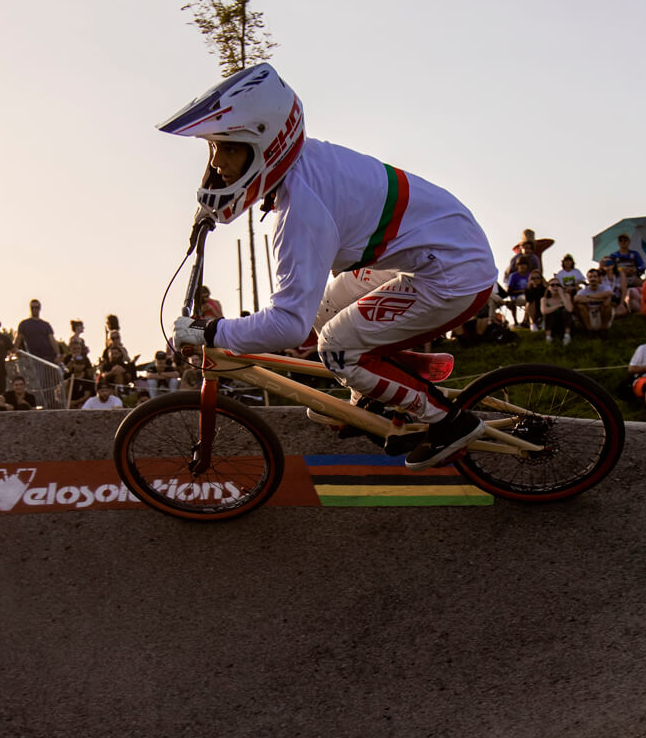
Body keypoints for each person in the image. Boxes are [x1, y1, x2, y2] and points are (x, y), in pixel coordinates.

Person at [164, 63, 499, 470]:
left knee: (336, 349)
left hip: (453, 274)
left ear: (265, 146)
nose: (217, 163)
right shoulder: (301, 159)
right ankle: (374, 390)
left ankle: (447, 423)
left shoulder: (302, 213)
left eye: (229, 148)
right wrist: (206, 213)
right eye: (213, 148)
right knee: (324, 311)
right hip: (436, 250)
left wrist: (211, 331)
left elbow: (287, 324)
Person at [572, 267, 618, 332]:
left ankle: (603, 330)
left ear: (598, 278)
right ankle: (589, 330)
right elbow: (576, 298)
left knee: (607, 302)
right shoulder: (584, 290)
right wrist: (597, 299)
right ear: (587, 279)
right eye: (590, 277)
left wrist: (588, 296)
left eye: (595, 276)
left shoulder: (604, 287)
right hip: (589, 313)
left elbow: (609, 293)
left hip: (601, 311)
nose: (592, 279)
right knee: (579, 306)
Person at [599, 233, 646, 298]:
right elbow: (609, 267)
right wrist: (621, 270)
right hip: (618, 278)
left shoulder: (635, 254)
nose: (623, 242)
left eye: (625, 240)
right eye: (621, 240)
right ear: (618, 242)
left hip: (633, 276)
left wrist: (636, 269)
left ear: (629, 242)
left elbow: (642, 266)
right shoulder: (614, 255)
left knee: (644, 286)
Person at [12, 299, 58, 364]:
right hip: (32, 358)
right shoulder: (24, 324)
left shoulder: (46, 325)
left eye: (36, 307)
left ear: (39, 309)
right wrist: (15, 350)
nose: (34, 309)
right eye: (32, 308)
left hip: (47, 358)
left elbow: (52, 340)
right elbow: (18, 339)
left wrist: (58, 354)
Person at [539, 277, 574, 344]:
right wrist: (558, 306)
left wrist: (561, 294)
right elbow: (544, 311)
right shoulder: (544, 299)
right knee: (549, 313)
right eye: (552, 285)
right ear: (548, 288)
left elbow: (570, 309)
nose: (555, 287)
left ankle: (567, 336)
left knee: (565, 311)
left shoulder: (566, 296)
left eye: (557, 285)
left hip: (564, 322)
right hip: (552, 324)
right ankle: (548, 337)